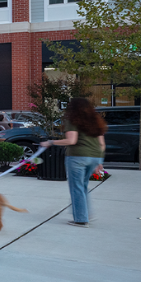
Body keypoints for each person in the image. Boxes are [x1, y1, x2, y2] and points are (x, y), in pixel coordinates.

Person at [41, 97, 107, 228]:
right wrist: (100, 161)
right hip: (95, 157)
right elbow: (102, 144)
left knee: (76, 187)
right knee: (83, 186)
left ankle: (81, 219)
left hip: (77, 157)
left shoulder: (73, 120)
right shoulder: (96, 122)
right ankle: (85, 214)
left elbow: (71, 141)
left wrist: (51, 142)